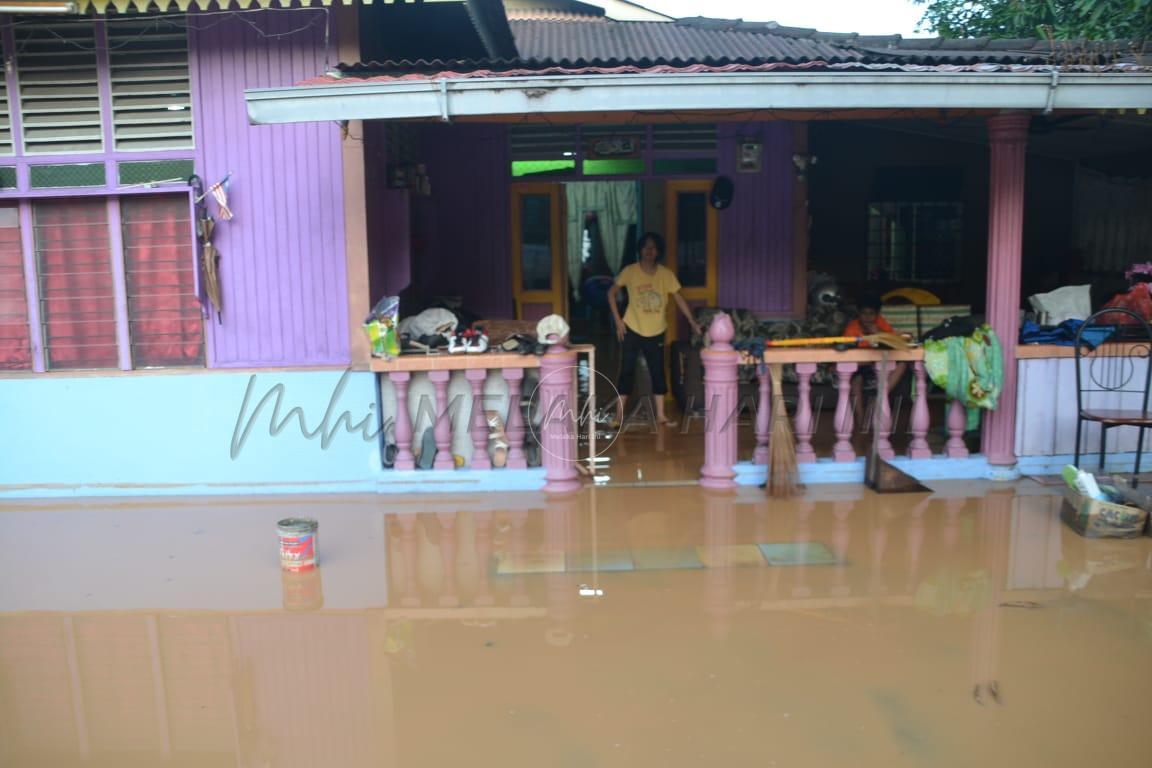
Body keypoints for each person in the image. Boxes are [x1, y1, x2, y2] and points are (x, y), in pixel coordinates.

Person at [608, 232, 701, 427]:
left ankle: (660, 415)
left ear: (658, 252)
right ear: (640, 250)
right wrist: (618, 320)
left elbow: (679, 299)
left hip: (656, 330)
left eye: (654, 247)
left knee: (658, 371)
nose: (650, 251)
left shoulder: (666, 275)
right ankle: (618, 416)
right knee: (626, 371)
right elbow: (611, 293)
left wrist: (692, 321)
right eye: (646, 247)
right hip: (631, 328)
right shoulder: (630, 271)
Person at [846, 294, 907, 418]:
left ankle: (879, 399)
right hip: (861, 364)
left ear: (877, 314)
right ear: (858, 313)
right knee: (856, 380)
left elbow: (894, 341)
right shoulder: (852, 327)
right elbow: (848, 352)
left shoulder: (880, 322)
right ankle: (861, 419)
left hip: (879, 361)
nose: (867, 318)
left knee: (902, 364)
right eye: (864, 313)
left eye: (871, 314)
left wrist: (879, 333)